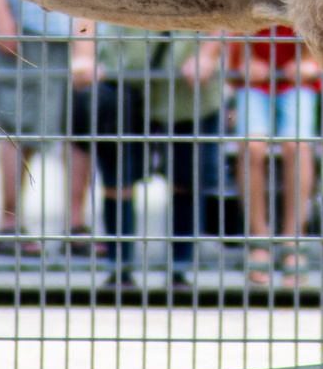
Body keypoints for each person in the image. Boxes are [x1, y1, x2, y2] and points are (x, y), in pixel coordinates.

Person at [70, 20, 225, 288]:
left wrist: (208, 53)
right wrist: (84, 53)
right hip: (124, 73)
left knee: (186, 179)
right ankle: (120, 271)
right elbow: (84, 1)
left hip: (188, 81)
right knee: (119, 181)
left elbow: (228, 0)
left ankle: (179, 273)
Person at [0, 0, 92, 256]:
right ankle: (10, 223)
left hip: (74, 31)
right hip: (25, 28)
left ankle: (76, 225)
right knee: (18, 127)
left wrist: (87, 38)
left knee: (81, 126)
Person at [228, 23, 323, 286]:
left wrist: (308, 58)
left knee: (297, 144)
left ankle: (293, 240)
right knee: (251, 145)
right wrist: (246, 58)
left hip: (299, 66)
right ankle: (258, 239)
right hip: (255, 67)